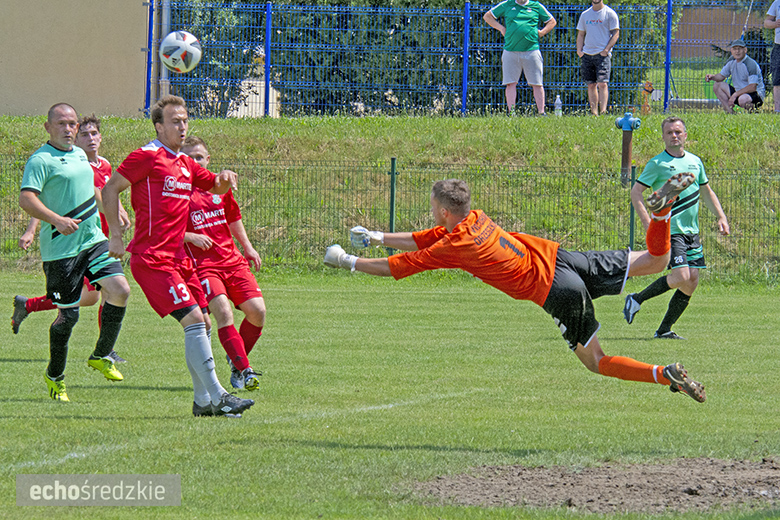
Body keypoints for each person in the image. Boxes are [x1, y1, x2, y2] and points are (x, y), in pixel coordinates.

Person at [325, 177, 707, 403]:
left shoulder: (456, 244)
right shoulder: (476, 219)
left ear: (444, 210)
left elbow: (398, 267)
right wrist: (377, 237)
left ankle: (663, 373)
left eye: (431, 205)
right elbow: (426, 238)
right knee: (657, 260)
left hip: (557, 290)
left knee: (596, 362)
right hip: (563, 259)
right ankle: (661, 212)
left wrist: (348, 261)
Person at [101, 95, 254, 418]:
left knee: (204, 324)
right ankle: (220, 395)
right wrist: (116, 233)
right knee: (195, 321)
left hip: (181, 261)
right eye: (174, 121)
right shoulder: (147, 156)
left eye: (184, 120)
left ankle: (202, 402)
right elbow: (110, 188)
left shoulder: (185, 163)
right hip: (153, 259)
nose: (182, 126)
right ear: (159, 126)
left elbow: (214, 185)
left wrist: (224, 178)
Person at [19, 103, 131, 402]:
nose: (68, 129)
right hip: (61, 250)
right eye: (61, 124)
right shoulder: (40, 160)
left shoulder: (81, 155)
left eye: (72, 124)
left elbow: (94, 190)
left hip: (92, 240)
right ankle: (55, 376)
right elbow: (27, 199)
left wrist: (113, 212)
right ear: (48, 127)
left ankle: (101, 355)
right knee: (68, 318)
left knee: (120, 290)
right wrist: (56, 220)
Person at [624, 117, 729, 340]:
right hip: (672, 231)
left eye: (678, 132)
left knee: (691, 282)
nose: (674, 135)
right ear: (663, 136)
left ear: (685, 135)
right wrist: (649, 224)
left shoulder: (695, 162)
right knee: (681, 276)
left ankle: (663, 330)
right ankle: (637, 298)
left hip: (692, 232)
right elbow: (636, 193)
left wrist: (720, 216)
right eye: (670, 132)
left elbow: (707, 192)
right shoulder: (657, 164)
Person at [181, 136, 266, 392]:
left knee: (258, 312)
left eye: (199, 156)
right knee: (224, 313)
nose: (195, 160)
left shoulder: (218, 187)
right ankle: (244, 369)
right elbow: (160, 229)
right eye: (189, 156)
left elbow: (233, 218)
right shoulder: (177, 191)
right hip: (203, 266)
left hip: (232, 261)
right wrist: (189, 236)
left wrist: (248, 248)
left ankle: (235, 357)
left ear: (208, 160)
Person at [483, 0, 556, 115]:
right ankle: (511, 113)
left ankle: (542, 112)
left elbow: (551, 21)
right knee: (510, 83)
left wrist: (542, 32)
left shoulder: (536, 6)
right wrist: (501, 28)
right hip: (510, 50)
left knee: (537, 83)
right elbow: (488, 16)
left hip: (532, 50)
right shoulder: (507, 4)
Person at [576, 0, 620, 116]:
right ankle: (594, 113)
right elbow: (581, 34)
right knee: (591, 84)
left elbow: (616, 33)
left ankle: (603, 111)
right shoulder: (585, 14)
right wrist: (579, 51)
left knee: (603, 84)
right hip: (587, 54)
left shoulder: (610, 13)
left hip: (602, 55)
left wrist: (606, 50)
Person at [705, 39, 765, 114]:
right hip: (739, 93)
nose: (737, 51)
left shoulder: (750, 64)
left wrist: (734, 95)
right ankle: (731, 113)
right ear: (731, 51)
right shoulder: (731, 61)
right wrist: (712, 77)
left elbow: (752, 87)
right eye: (735, 49)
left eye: (739, 49)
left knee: (742, 99)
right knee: (717, 85)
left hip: (754, 94)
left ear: (745, 50)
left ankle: (754, 113)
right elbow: (721, 77)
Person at [765, 0, 780, 113]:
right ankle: (777, 110)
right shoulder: (777, 2)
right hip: (778, 46)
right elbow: (766, 23)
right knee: (777, 79)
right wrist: (776, 24)